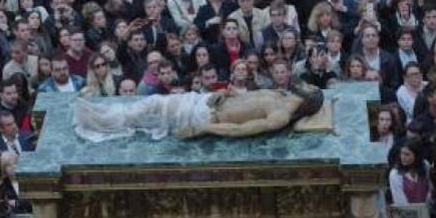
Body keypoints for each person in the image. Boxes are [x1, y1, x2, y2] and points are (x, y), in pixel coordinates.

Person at [75, 85, 323, 142]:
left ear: (308, 99)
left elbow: (240, 130)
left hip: (206, 118)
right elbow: (244, 96)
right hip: (206, 100)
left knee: (152, 104)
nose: (305, 84)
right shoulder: (280, 93)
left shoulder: (280, 117)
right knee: (152, 104)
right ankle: (108, 115)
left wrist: (203, 129)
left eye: (309, 87)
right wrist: (227, 93)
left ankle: (103, 120)